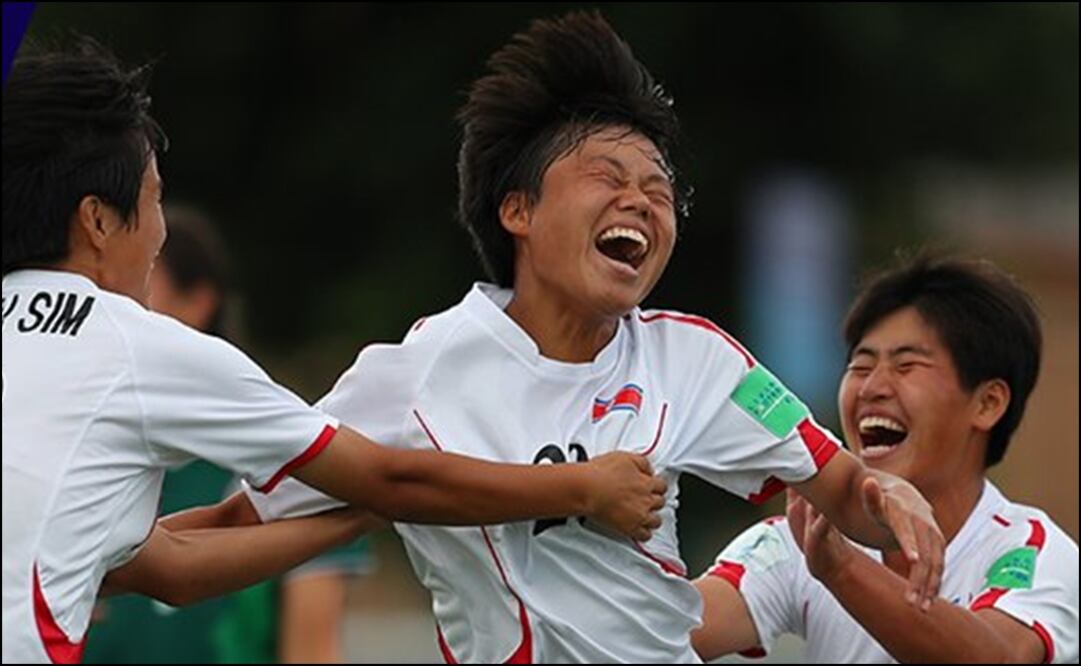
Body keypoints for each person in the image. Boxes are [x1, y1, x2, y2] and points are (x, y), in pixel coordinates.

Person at [248, 11, 945, 663]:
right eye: (605, 177)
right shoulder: (417, 374)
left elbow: (844, 491)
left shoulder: (694, 359)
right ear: (516, 209)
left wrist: (890, 499)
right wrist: (148, 553)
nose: (640, 201)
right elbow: (257, 511)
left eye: (658, 190)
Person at [1, 37, 665, 664]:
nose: (157, 235)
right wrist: (582, 485)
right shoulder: (134, 346)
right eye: (153, 202)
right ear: (95, 220)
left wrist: (361, 517)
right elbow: (389, 476)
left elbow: (167, 570)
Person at [692, 255, 1079, 663]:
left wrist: (843, 571)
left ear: (987, 403)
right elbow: (665, 632)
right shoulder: (800, 538)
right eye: (860, 365)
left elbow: (999, 658)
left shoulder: (1031, 550)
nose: (872, 387)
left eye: (907, 366)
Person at [83, 207, 375, 664]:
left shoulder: (290, 459)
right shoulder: (81, 453)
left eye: (137, 293)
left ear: (199, 303)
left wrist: (377, 504)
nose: (110, 313)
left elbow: (312, 651)